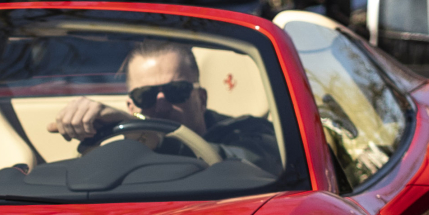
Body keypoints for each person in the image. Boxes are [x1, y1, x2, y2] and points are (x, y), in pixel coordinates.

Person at [49, 40, 280, 173]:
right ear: (131, 107)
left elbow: (252, 165)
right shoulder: (119, 154)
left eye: (175, 91)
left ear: (201, 99)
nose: (160, 105)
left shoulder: (251, 131)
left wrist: (153, 137)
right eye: (145, 95)